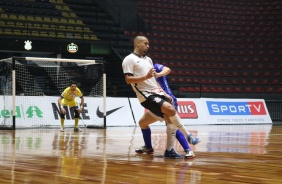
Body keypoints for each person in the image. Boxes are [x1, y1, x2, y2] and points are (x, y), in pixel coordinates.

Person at [122, 36, 200, 158]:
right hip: (146, 95)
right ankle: (188, 136)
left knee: (148, 123)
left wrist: (163, 92)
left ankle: (162, 150)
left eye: (148, 44)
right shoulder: (129, 59)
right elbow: (128, 79)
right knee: (171, 110)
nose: (148, 46)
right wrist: (145, 78)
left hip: (157, 93)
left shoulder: (148, 60)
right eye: (145, 43)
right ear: (137, 44)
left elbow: (155, 78)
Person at [154, 63, 200, 158]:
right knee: (143, 123)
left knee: (172, 124)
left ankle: (186, 148)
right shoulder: (143, 75)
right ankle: (150, 147)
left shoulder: (155, 67)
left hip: (168, 100)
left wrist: (157, 75)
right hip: (155, 102)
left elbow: (168, 70)